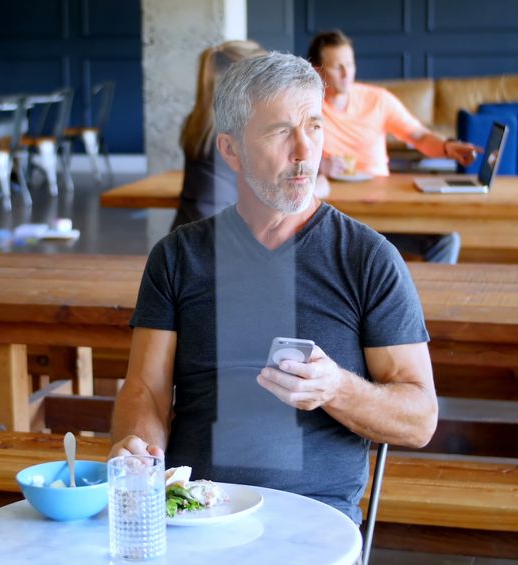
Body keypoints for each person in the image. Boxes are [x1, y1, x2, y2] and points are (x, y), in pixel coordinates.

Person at [110, 52, 438, 530]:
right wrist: (137, 445)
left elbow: (420, 418)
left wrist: (337, 388)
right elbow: (145, 390)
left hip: (314, 522)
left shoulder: (367, 258)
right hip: (197, 513)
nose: (304, 151)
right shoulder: (179, 256)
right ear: (231, 150)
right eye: (280, 131)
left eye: (314, 126)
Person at [307, 29, 481, 264]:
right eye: (337, 66)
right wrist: (320, 166)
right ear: (318, 71)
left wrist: (448, 147)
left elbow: (418, 135)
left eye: (350, 64)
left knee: (446, 240)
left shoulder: (377, 99)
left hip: (381, 207)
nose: (347, 73)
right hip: (334, 213)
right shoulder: (307, 106)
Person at [171, 40, 268, 231]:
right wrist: (318, 188)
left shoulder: (198, 120)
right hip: (222, 240)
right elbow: (272, 194)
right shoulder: (243, 128)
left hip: (184, 235)